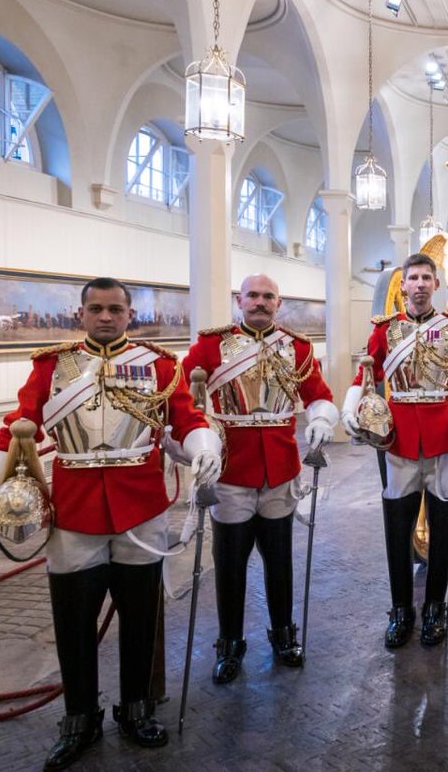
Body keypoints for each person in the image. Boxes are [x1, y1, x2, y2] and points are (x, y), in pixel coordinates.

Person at [0, 277, 222, 771]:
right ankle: (79, 718)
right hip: (75, 512)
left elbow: (186, 421)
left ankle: (135, 709)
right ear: (81, 313)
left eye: (115, 309)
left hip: (140, 510)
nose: (105, 317)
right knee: (73, 626)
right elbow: (16, 429)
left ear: (130, 314)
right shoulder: (50, 367)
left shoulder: (160, 366)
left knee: (141, 620)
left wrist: (204, 449)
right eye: (96, 309)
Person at [181, 274, 338, 683]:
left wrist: (321, 419)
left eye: (268, 297)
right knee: (230, 565)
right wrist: (199, 443)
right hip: (232, 469)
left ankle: (284, 634)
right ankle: (230, 643)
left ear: (278, 302)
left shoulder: (297, 347)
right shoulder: (210, 346)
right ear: (239, 299)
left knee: (280, 561)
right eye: (253, 295)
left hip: (280, 471)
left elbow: (318, 394)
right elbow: (181, 397)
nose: (260, 303)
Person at [341, 253, 448, 648]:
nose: (419, 284)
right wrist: (351, 409)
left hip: (442, 441)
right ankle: (401, 608)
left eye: (426, 278)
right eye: (412, 278)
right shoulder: (385, 331)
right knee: (397, 530)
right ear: (402, 285)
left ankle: (436, 606)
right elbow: (366, 375)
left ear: (436, 285)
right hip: (398, 440)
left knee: (441, 530)